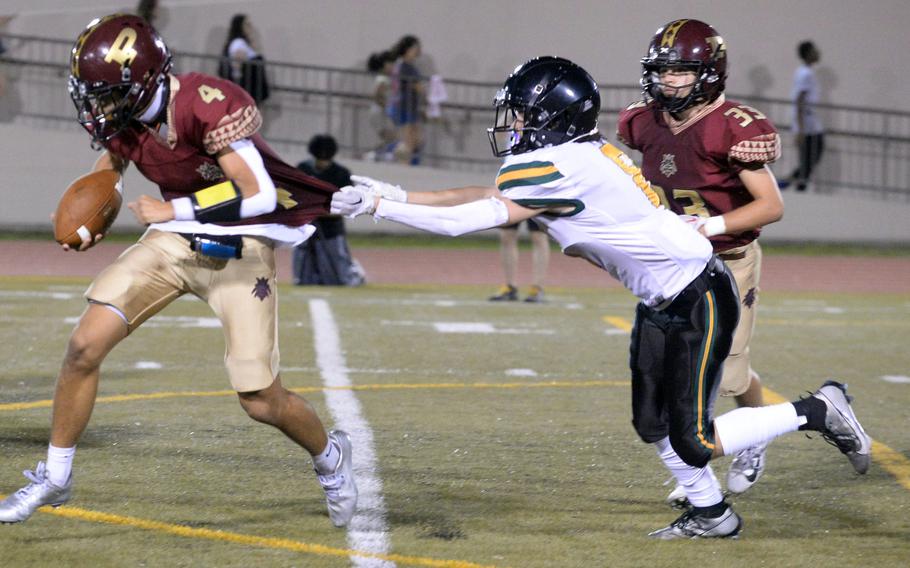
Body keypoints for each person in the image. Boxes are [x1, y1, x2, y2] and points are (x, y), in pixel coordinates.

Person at [331, 56, 871, 539]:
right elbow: (489, 194)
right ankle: (711, 513)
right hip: (666, 296)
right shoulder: (575, 154)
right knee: (651, 425)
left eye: (522, 112)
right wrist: (394, 193)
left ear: (552, 117)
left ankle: (816, 409)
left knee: (695, 440)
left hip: (697, 295)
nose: (514, 122)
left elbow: (466, 220)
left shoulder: (566, 165)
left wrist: (377, 207)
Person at [0, 14, 356, 527]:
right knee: (83, 346)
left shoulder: (204, 104)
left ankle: (330, 458)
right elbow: (112, 164)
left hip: (240, 246)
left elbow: (255, 192)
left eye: (105, 94)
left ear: (141, 81)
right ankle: (55, 476)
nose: (96, 106)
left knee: (259, 398)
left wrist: (174, 210)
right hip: (173, 243)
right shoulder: (125, 115)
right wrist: (99, 203)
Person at [617, 19, 784, 505]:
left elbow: (771, 206)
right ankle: (698, 469)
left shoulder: (730, 126)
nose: (669, 81)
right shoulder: (642, 122)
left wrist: (708, 227)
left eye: (681, 72)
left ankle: (755, 436)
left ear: (708, 73)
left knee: (728, 374)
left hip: (727, 258)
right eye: (662, 70)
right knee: (682, 374)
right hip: (674, 270)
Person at [293, 134, 366, 286]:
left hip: (331, 228)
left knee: (340, 277)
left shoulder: (341, 173)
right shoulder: (303, 169)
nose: (322, 163)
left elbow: (348, 205)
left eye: (326, 159)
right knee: (304, 279)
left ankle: (354, 272)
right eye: (319, 159)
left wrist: (321, 211)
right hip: (307, 226)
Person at [780, 41, 824, 192]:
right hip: (806, 124)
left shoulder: (806, 72)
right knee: (809, 157)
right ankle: (797, 185)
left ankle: (790, 182)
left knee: (810, 158)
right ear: (808, 54)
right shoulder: (805, 73)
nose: (818, 53)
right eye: (815, 50)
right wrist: (800, 129)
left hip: (810, 123)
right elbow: (799, 100)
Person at [488, 220, 549, 303]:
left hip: (536, 207)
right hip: (515, 206)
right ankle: (510, 287)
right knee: (506, 235)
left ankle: (537, 288)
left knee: (538, 235)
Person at [388, 35, 425, 165]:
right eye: (415, 48)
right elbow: (409, 84)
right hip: (404, 106)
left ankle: (404, 160)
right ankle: (402, 161)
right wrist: (419, 87)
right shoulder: (403, 65)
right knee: (409, 138)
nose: (417, 51)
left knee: (415, 138)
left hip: (410, 106)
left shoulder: (407, 65)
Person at [218, 14, 269, 105]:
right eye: (247, 24)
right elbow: (237, 67)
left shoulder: (243, 43)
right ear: (239, 26)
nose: (250, 27)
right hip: (244, 91)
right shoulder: (239, 44)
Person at [365, 50, 398, 162]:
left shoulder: (383, 78)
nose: (393, 67)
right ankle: (373, 155)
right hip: (379, 112)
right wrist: (386, 107)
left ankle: (375, 155)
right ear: (385, 65)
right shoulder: (383, 79)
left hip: (378, 112)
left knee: (390, 137)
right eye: (391, 64)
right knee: (390, 137)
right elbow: (377, 94)